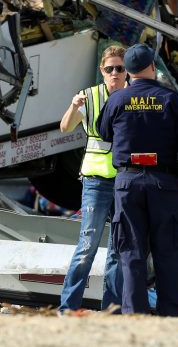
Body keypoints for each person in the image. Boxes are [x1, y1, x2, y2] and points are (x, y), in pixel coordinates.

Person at [96, 44, 178, 316]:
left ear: (127, 71)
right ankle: (168, 321)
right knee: (169, 258)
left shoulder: (117, 100)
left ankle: (135, 322)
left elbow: (102, 131)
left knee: (131, 256)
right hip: (165, 184)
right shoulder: (172, 100)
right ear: (153, 66)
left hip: (128, 184)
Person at [58, 44, 127, 312]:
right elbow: (65, 127)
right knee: (87, 247)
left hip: (124, 182)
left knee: (118, 252)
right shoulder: (90, 96)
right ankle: (68, 308)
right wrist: (73, 106)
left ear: (126, 71)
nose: (114, 74)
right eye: (109, 69)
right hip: (97, 182)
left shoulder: (134, 96)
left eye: (119, 69)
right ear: (102, 70)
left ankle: (111, 310)